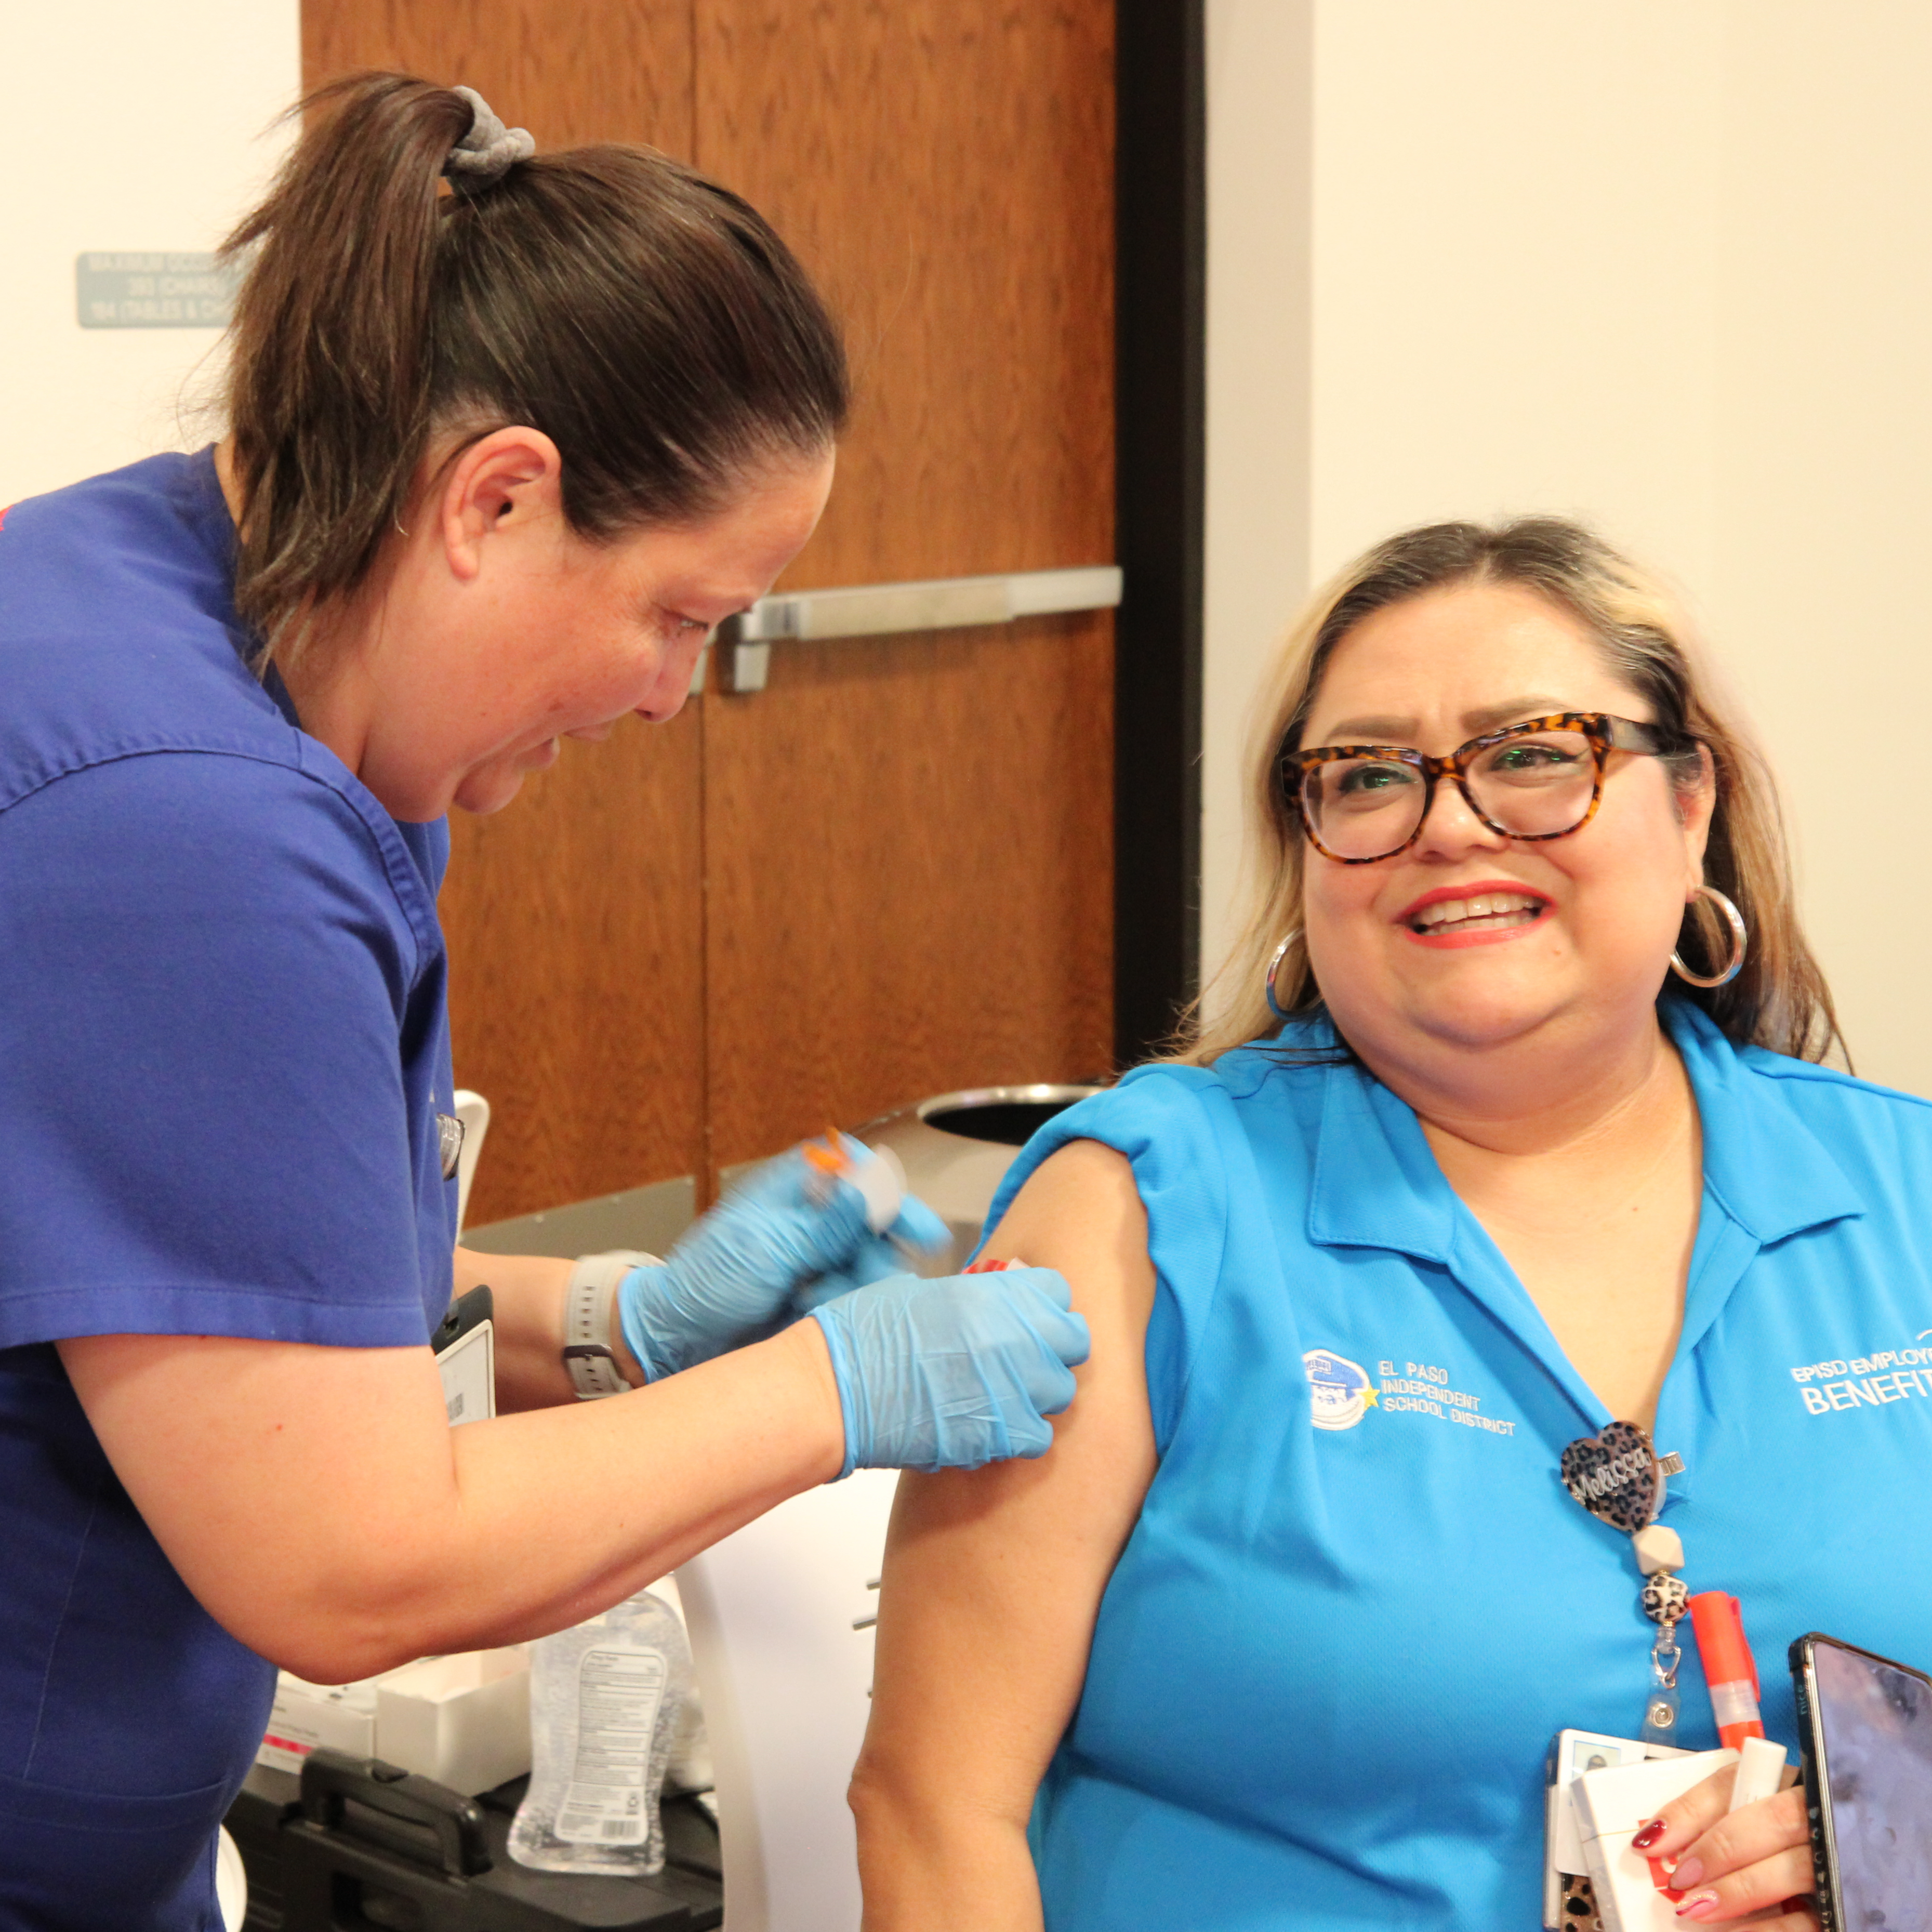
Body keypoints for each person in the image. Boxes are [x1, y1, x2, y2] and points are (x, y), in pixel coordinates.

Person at [0, 74, 1089, 1929]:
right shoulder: (182, 828)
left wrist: (606, 1324)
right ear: (494, 498)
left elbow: (193, 1282)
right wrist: (828, 1393)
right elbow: (346, 1565)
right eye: (679, 616)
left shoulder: (245, 633)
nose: (676, 695)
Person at [850, 518, 1932, 1930]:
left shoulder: (1903, 1193)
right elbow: (935, 1807)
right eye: (1362, 775)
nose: (1445, 822)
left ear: (1689, 804)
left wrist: (1891, 1824)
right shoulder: (1140, 1210)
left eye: (1536, 751)